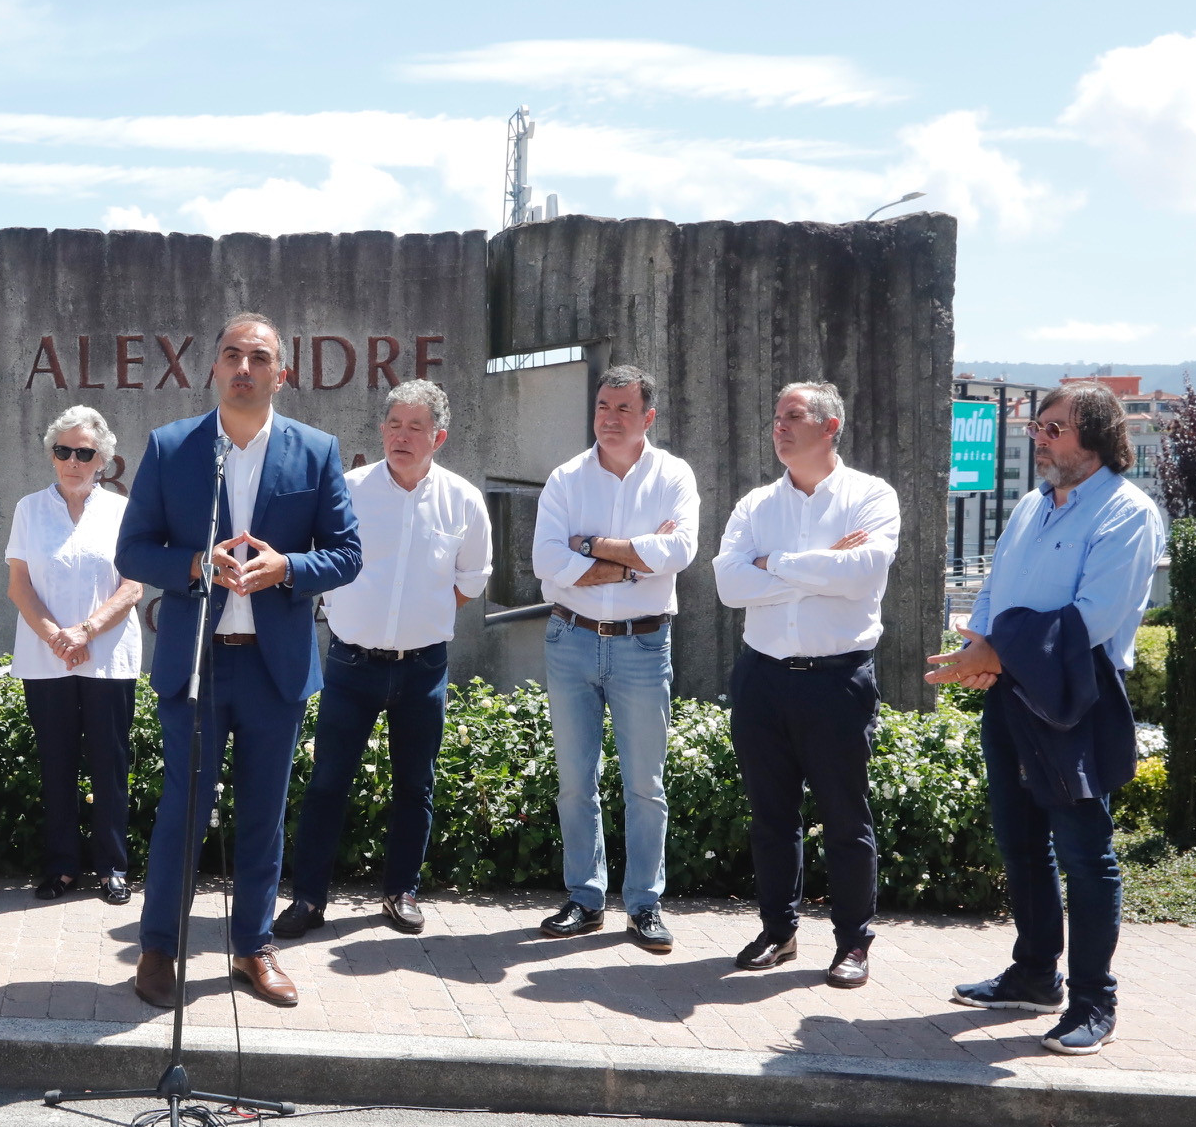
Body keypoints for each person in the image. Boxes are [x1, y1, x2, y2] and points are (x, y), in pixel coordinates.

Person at [115, 313, 363, 1009]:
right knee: (182, 813)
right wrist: (196, 563)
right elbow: (132, 552)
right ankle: (159, 946)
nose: (244, 368)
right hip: (197, 663)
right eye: (232, 356)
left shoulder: (315, 451)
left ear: (281, 374)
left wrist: (288, 567)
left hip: (273, 667)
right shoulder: (173, 448)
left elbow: (346, 553)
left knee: (262, 814)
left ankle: (253, 950)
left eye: (259, 357)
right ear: (214, 370)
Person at [928, 382, 1165, 1056]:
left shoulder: (1126, 512)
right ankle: (1034, 974)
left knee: (1087, 857)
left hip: (1077, 696)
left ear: (1094, 437)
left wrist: (998, 651)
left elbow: (1094, 617)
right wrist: (977, 650)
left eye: (1054, 429)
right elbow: (1000, 589)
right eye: (1038, 428)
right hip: (1010, 691)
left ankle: (1095, 1001)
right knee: (1021, 844)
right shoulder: (1033, 506)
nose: (1040, 439)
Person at [275, 379, 491, 940]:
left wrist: (420, 617)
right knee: (327, 784)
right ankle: (307, 899)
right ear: (381, 430)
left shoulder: (463, 500)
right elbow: (318, 561)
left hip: (423, 668)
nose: (402, 435)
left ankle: (401, 892)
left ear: (438, 436)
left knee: (414, 785)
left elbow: (471, 579)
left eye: (416, 426)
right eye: (394, 424)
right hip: (351, 663)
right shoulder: (346, 490)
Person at [711, 381, 901, 987]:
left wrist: (773, 564)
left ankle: (853, 944)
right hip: (762, 677)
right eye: (775, 417)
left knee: (846, 818)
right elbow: (728, 587)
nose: (779, 427)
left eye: (792, 416)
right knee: (771, 816)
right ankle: (778, 931)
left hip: (837, 680)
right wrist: (820, 565)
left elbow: (864, 571)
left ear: (830, 426)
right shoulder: (754, 506)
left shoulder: (872, 496)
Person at [531, 364, 700, 952]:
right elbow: (545, 562)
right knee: (576, 781)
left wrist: (591, 546)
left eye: (623, 409)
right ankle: (584, 896)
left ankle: (644, 905)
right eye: (603, 407)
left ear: (647, 417)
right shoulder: (566, 478)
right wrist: (635, 556)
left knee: (645, 785)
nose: (609, 418)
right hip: (570, 639)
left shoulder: (674, 475)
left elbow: (679, 550)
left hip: (644, 643)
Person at [6, 406, 145, 905]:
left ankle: (112, 866)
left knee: (110, 762)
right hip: (47, 659)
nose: (72, 461)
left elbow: (132, 587)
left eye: (84, 452)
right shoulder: (28, 509)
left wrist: (84, 632)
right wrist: (56, 638)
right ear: (52, 455)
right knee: (56, 763)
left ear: (102, 459)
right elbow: (18, 586)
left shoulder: (123, 511)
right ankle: (62, 867)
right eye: (63, 450)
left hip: (107, 656)